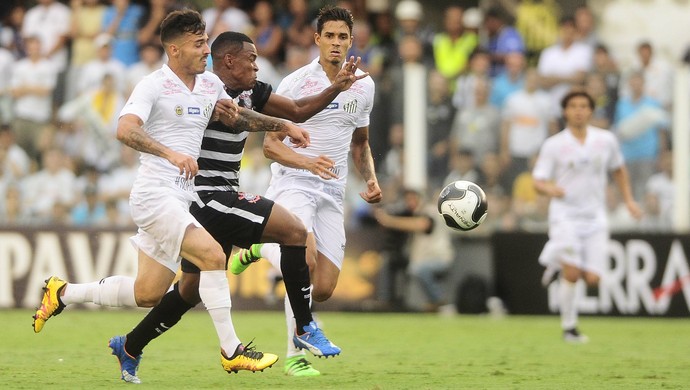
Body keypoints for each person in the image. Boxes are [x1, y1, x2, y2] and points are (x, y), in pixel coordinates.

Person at [31, 9, 286, 382]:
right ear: (174, 49)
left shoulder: (210, 85)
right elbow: (124, 129)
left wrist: (285, 126)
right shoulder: (153, 85)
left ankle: (62, 292)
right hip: (154, 194)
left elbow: (237, 118)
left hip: (180, 198)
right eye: (199, 44)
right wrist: (170, 153)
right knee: (213, 255)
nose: (206, 51)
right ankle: (232, 352)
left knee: (148, 292)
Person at [110, 30, 367, 381]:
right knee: (293, 232)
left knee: (186, 290)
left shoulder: (250, 91)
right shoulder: (206, 89)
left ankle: (130, 345)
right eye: (252, 58)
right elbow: (244, 119)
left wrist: (335, 89)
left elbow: (297, 110)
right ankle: (303, 327)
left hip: (222, 191)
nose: (257, 66)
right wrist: (283, 126)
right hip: (205, 194)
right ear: (230, 60)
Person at [230, 4, 381, 374]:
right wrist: (307, 162)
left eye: (342, 36)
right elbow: (271, 146)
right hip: (294, 182)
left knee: (324, 287)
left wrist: (371, 178)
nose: (335, 43)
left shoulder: (364, 86)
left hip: (333, 190)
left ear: (351, 41)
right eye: (328, 35)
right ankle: (294, 355)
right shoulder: (296, 84)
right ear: (316, 39)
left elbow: (360, 143)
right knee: (303, 257)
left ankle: (260, 248)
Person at [534, 90, 642, 343]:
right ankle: (569, 328)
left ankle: (554, 258)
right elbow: (538, 180)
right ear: (565, 112)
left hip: (595, 216)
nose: (579, 110)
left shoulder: (606, 140)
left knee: (592, 279)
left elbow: (619, 170)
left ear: (591, 111)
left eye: (584, 106)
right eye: (573, 106)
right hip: (565, 215)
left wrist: (628, 200)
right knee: (572, 274)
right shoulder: (554, 144)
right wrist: (549, 188)